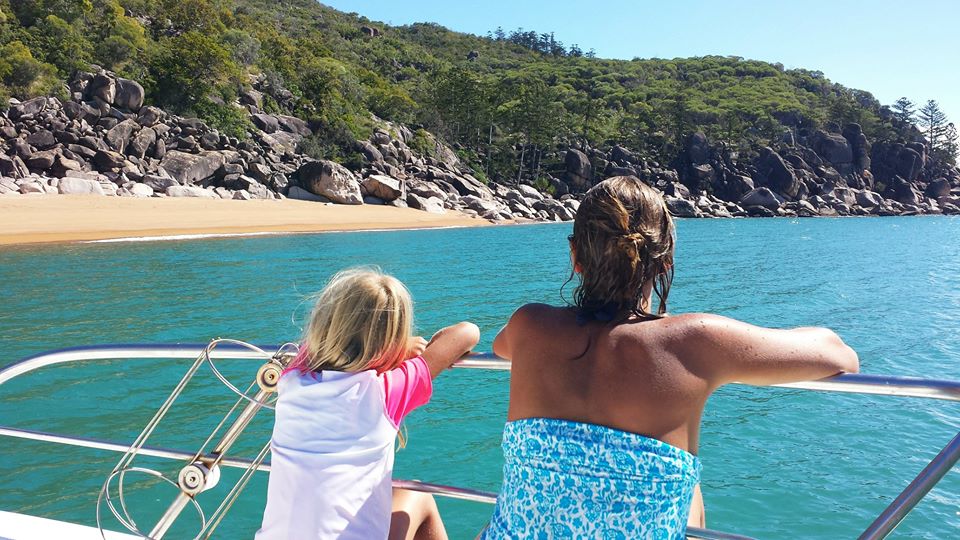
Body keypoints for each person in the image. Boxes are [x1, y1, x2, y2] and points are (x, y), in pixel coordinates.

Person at [482, 176, 859, 539]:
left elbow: (501, 347)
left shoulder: (529, 325)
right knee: (689, 490)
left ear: (576, 256)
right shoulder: (695, 341)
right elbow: (839, 354)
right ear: (664, 261)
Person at [256, 268, 480, 540]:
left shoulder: (291, 381)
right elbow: (467, 333)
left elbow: (313, 345)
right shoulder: (384, 393)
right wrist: (402, 349)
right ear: (391, 342)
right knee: (417, 496)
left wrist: (393, 346)